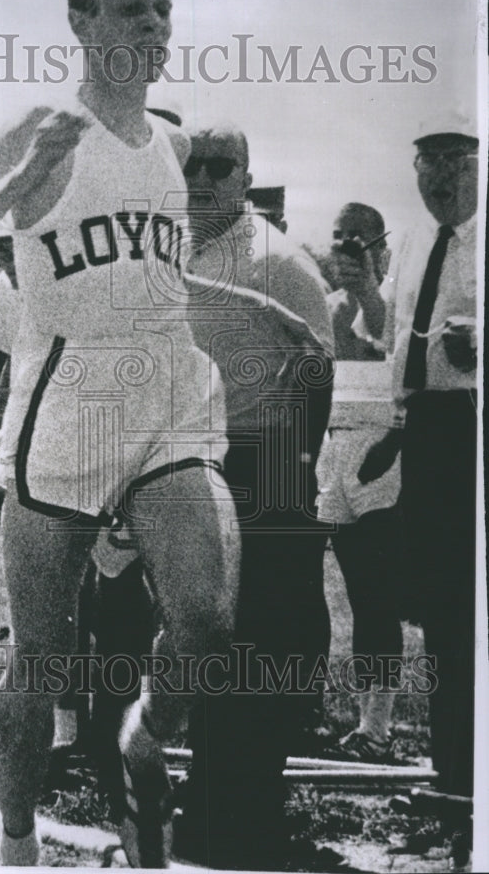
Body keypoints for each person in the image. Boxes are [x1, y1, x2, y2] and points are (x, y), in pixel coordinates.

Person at [0, 0, 240, 868]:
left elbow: (161, 288)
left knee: (207, 618)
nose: (154, 25)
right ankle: (17, 844)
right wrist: (21, 186)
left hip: (165, 392)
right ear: (82, 23)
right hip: (67, 400)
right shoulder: (42, 126)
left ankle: (144, 735)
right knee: (40, 662)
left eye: (164, 10)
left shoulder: (174, 146)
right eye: (133, 8)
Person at [174, 125, 336, 870]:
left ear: (245, 176)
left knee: (270, 638)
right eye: (190, 166)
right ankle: (215, 802)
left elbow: (317, 368)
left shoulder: (274, 260)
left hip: (266, 463)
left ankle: (245, 813)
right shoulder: (180, 252)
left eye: (219, 166)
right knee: (214, 635)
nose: (202, 178)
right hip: (202, 461)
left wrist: (289, 477)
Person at [356, 115, 478, 859]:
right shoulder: (413, 245)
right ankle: (453, 775)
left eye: (454, 161)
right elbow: (390, 342)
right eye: (426, 162)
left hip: (476, 433)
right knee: (441, 619)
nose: (438, 177)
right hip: (427, 441)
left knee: (473, 615)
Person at [317, 203, 403, 763]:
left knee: (376, 594)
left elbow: (389, 345)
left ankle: (378, 724)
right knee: (333, 588)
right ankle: (322, 708)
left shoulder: (395, 299)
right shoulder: (323, 307)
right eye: (339, 237)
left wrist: (369, 286)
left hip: (379, 447)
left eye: (360, 239)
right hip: (331, 446)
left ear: (382, 247)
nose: (347, 248)